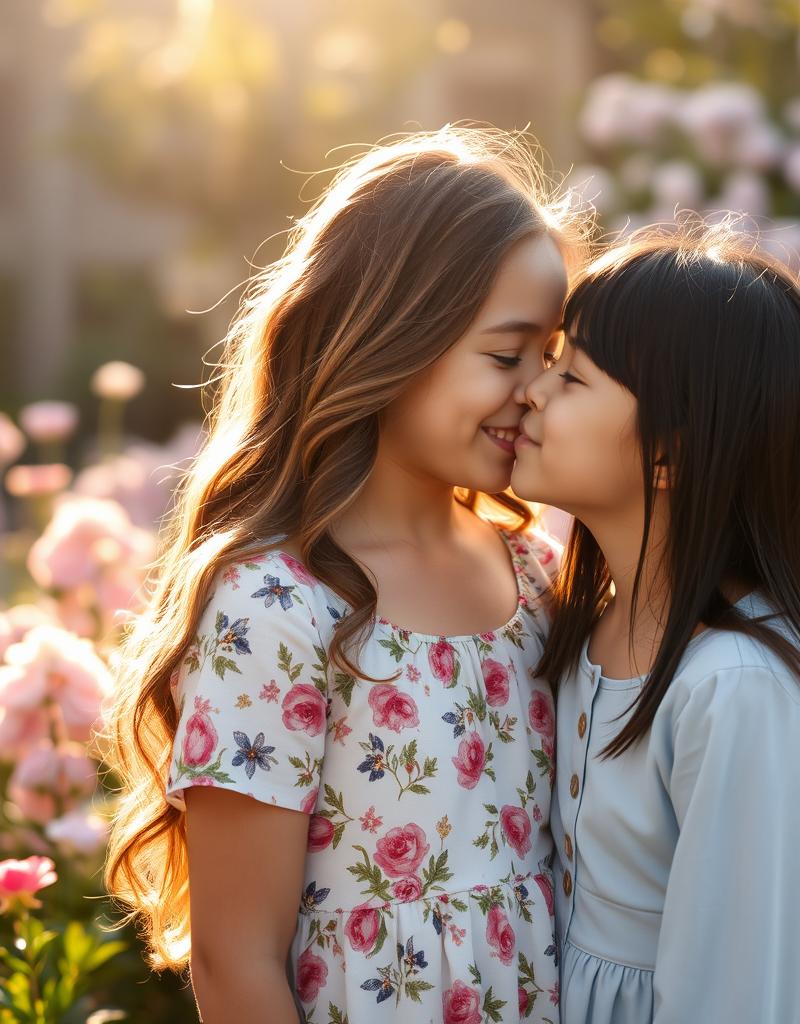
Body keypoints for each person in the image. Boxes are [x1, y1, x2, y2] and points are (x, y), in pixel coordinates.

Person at [102, 126, 585, 1024]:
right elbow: (233, 958)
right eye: (504, 354)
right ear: (391, 337)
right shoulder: (276, 607)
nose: (536, 392)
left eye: (551, 359)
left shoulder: (534, 571)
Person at [510, 226, 800, 1024]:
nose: (533, 393)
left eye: (573, 376)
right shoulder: (591, 628)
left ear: (669, 452)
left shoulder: (738, 691)